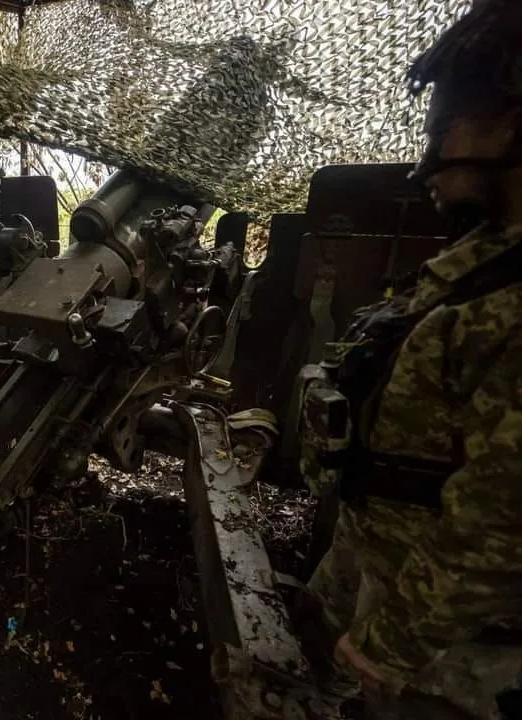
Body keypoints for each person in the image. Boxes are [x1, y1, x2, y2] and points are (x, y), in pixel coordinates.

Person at [295, 1, 522, 718]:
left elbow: (501, 522)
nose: (426, 163)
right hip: (377, 555)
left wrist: (393, 645)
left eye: (442, 130)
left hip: (444, 641)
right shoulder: (484, 256)